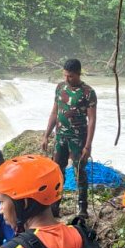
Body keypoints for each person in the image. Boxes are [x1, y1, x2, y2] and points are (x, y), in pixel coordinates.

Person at [42, 58, 97, 216]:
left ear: (79, 74)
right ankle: (54, 206)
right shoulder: (60, 87)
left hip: (78, 139)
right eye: (65, 75)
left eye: (70, 76)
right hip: (60, 138)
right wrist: (46, 135)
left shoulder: (88, 92)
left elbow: (92, 119)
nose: (67, 79)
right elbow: (54, 112)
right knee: (57, 171)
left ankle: (83, 208)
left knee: (79, 171)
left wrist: (88, 145)